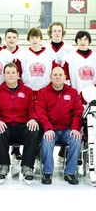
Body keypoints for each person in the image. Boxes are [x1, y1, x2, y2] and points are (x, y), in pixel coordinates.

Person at [0, 62, 40, 185]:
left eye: (13, 73)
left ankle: (27, 166)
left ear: (18, 74)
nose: (11, 75)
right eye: (8, 73)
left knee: (34, 131)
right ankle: (4, 165)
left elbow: (32, 110)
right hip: (5, 124)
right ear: (4, 75)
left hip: (22, 125)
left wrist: (33, 118)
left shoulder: (27, 91)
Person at [36, 67, 83, 185]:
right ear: (50, 77)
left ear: (65, 77)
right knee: (47, 141)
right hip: (50, 129)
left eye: (60, 74)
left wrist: (75, 128)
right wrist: (47, 128)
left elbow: (78, 112)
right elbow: (40, 112)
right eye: (55, 74)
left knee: (77, 140)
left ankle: (70, 173)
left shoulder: (73, 92)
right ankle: (47, 172)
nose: (58, 77)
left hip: (67, 129)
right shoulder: (42, 92)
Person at [44, 22, 75, 162]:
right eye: (54, 31)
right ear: (50, 32)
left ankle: (64, 151)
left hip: (65, 86)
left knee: (65, 116)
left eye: (59, 31)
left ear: (63, 33)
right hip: (48, 87)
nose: (57, 33)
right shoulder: (45, 48)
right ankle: (41, 153)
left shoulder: (69, 49)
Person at [15, 28, 58, 95]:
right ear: (28, 39)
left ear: (41, 39)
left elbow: (55, 72)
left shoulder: (50, 54)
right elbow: (17, 74)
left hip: (46, 91)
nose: (34, 40)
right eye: (32, 38)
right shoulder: (22, 54)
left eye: (37, 37)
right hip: (27, 90)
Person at [3, 28, 24, 160]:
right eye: (9, 37)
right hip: (1, 89)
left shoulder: (22, 53)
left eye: (14, 37)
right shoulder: (1, 52)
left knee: (18, 115)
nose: (11, 39)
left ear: (17, 39)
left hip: (17, 89)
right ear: (5, 39)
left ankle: (16, 149)